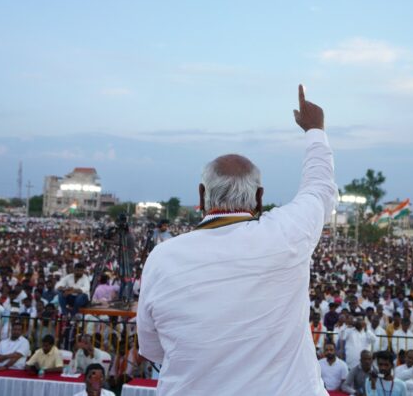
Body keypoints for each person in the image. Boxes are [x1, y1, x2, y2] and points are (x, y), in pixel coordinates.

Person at [137, 85, 338, 395]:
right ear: (259, 198)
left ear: (201, 196)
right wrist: (314, 131)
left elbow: (152, 347)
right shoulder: (285, 234)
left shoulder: (162, 257)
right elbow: (320, 189)